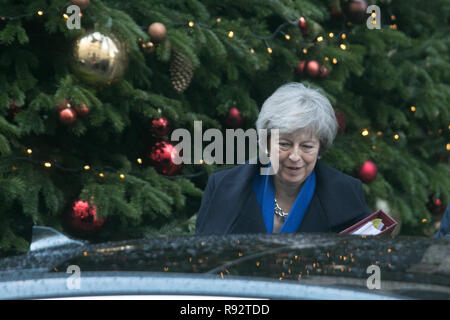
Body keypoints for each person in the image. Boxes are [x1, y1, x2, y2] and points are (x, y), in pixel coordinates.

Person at [196, 82, 371, 235]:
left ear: (320, 148)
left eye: (307, 146)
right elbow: (203, 259)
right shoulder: (222, 187)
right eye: (284, 144)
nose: (295, 157)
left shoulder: (347, 193)